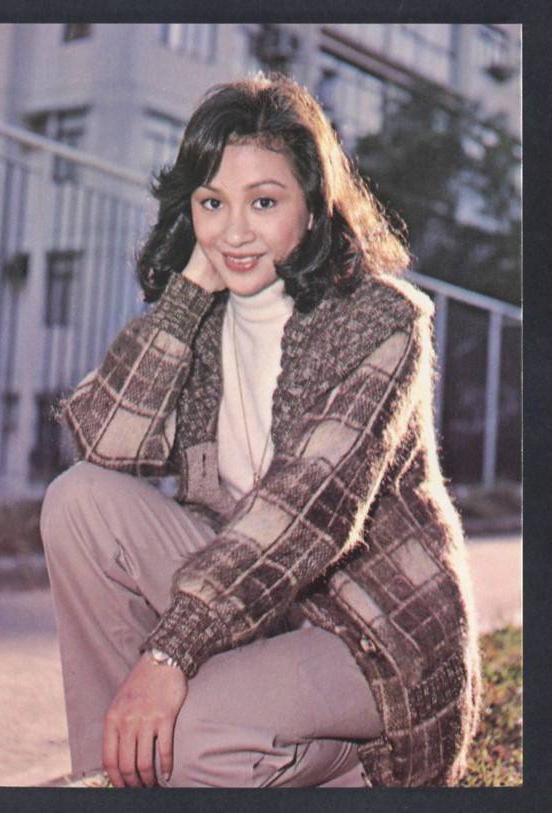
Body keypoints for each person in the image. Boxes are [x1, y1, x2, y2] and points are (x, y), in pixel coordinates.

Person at [40, 72, 481, 789]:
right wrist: (184, 296)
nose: (234, 231)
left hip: (370, 634)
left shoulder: (381, 320)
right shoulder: (204, 320)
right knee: (78, 500)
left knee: (192, 729)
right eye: (212, 202)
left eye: (264, 202)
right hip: (253, 610)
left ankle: (341, 764)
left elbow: (307, 511)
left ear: (313, 206)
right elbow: (103, 442)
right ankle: (113, 773)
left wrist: (168, 654)